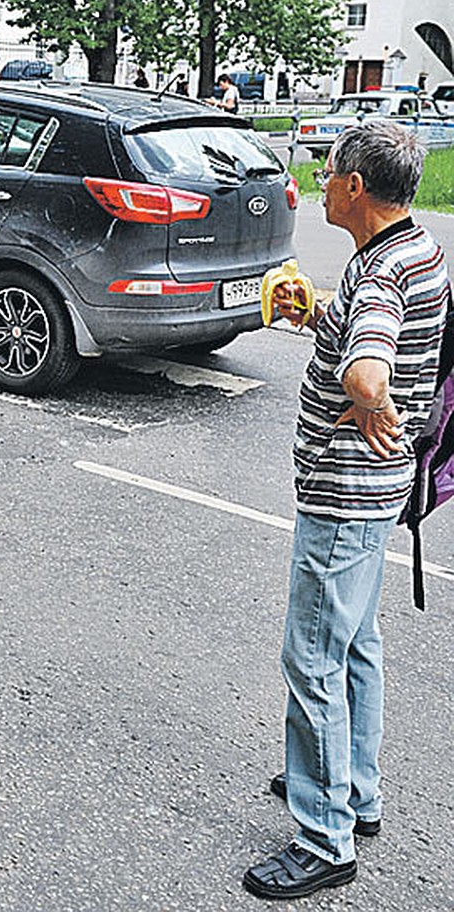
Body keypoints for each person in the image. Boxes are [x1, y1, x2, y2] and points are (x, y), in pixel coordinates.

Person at [243, 120, 448, 900]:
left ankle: (324, 838)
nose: (321, 184)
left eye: (327, 174)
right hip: (379, 488)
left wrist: (371, 397)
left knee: (314, 660)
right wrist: (317, 315)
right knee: (356, 645)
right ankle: (354, 793)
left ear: (354, 188)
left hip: (344, 494)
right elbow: (367, 331)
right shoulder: (410, 249)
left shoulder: (383, 275)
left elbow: (370, 366)